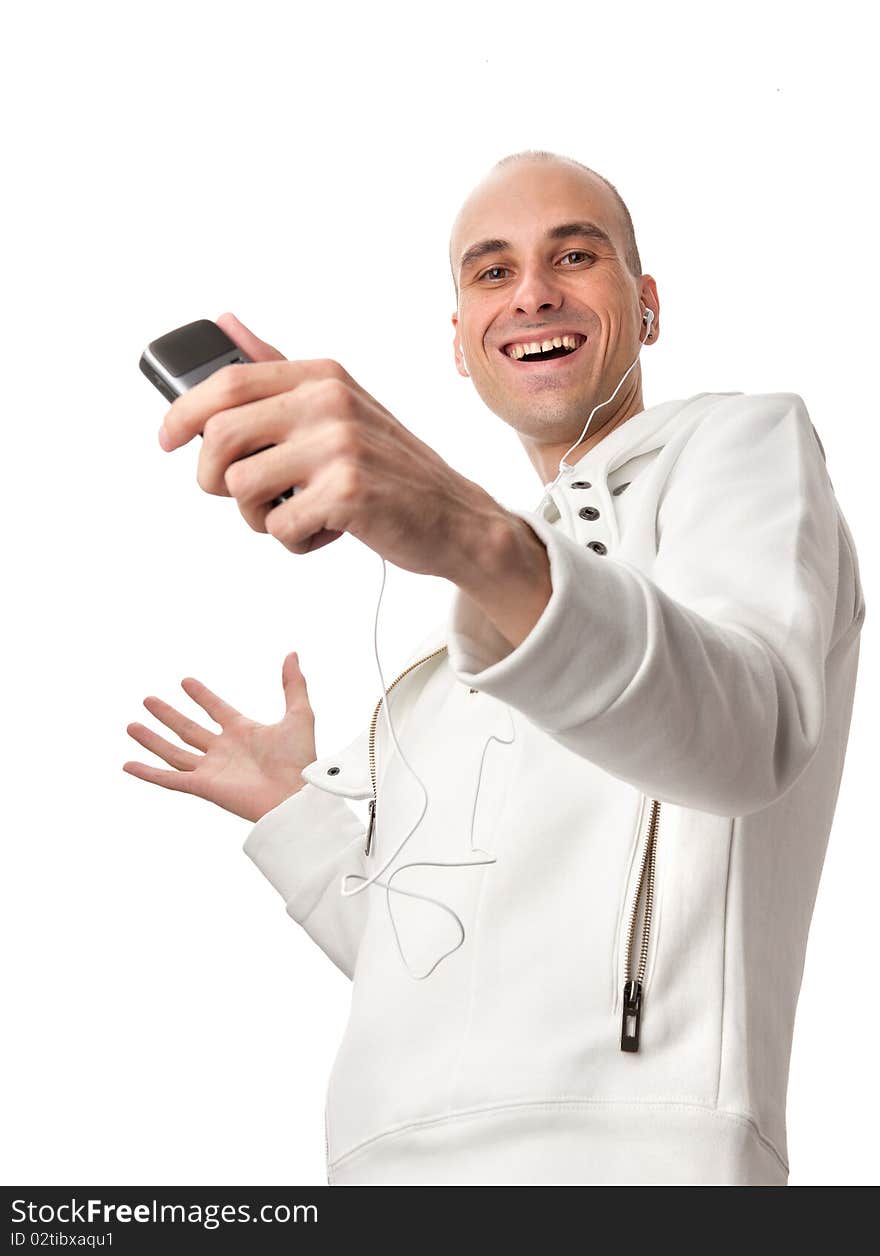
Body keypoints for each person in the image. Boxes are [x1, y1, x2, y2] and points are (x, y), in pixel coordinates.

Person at [123, 150, 866, 1186]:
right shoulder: (457, 639)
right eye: (490, 271)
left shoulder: (738, 443)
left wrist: (473, 538)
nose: (531, 292)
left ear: (644, 307)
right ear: (461, 347)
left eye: (574, 254)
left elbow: (751, 735)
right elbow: (431, 968)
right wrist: (290, 814)